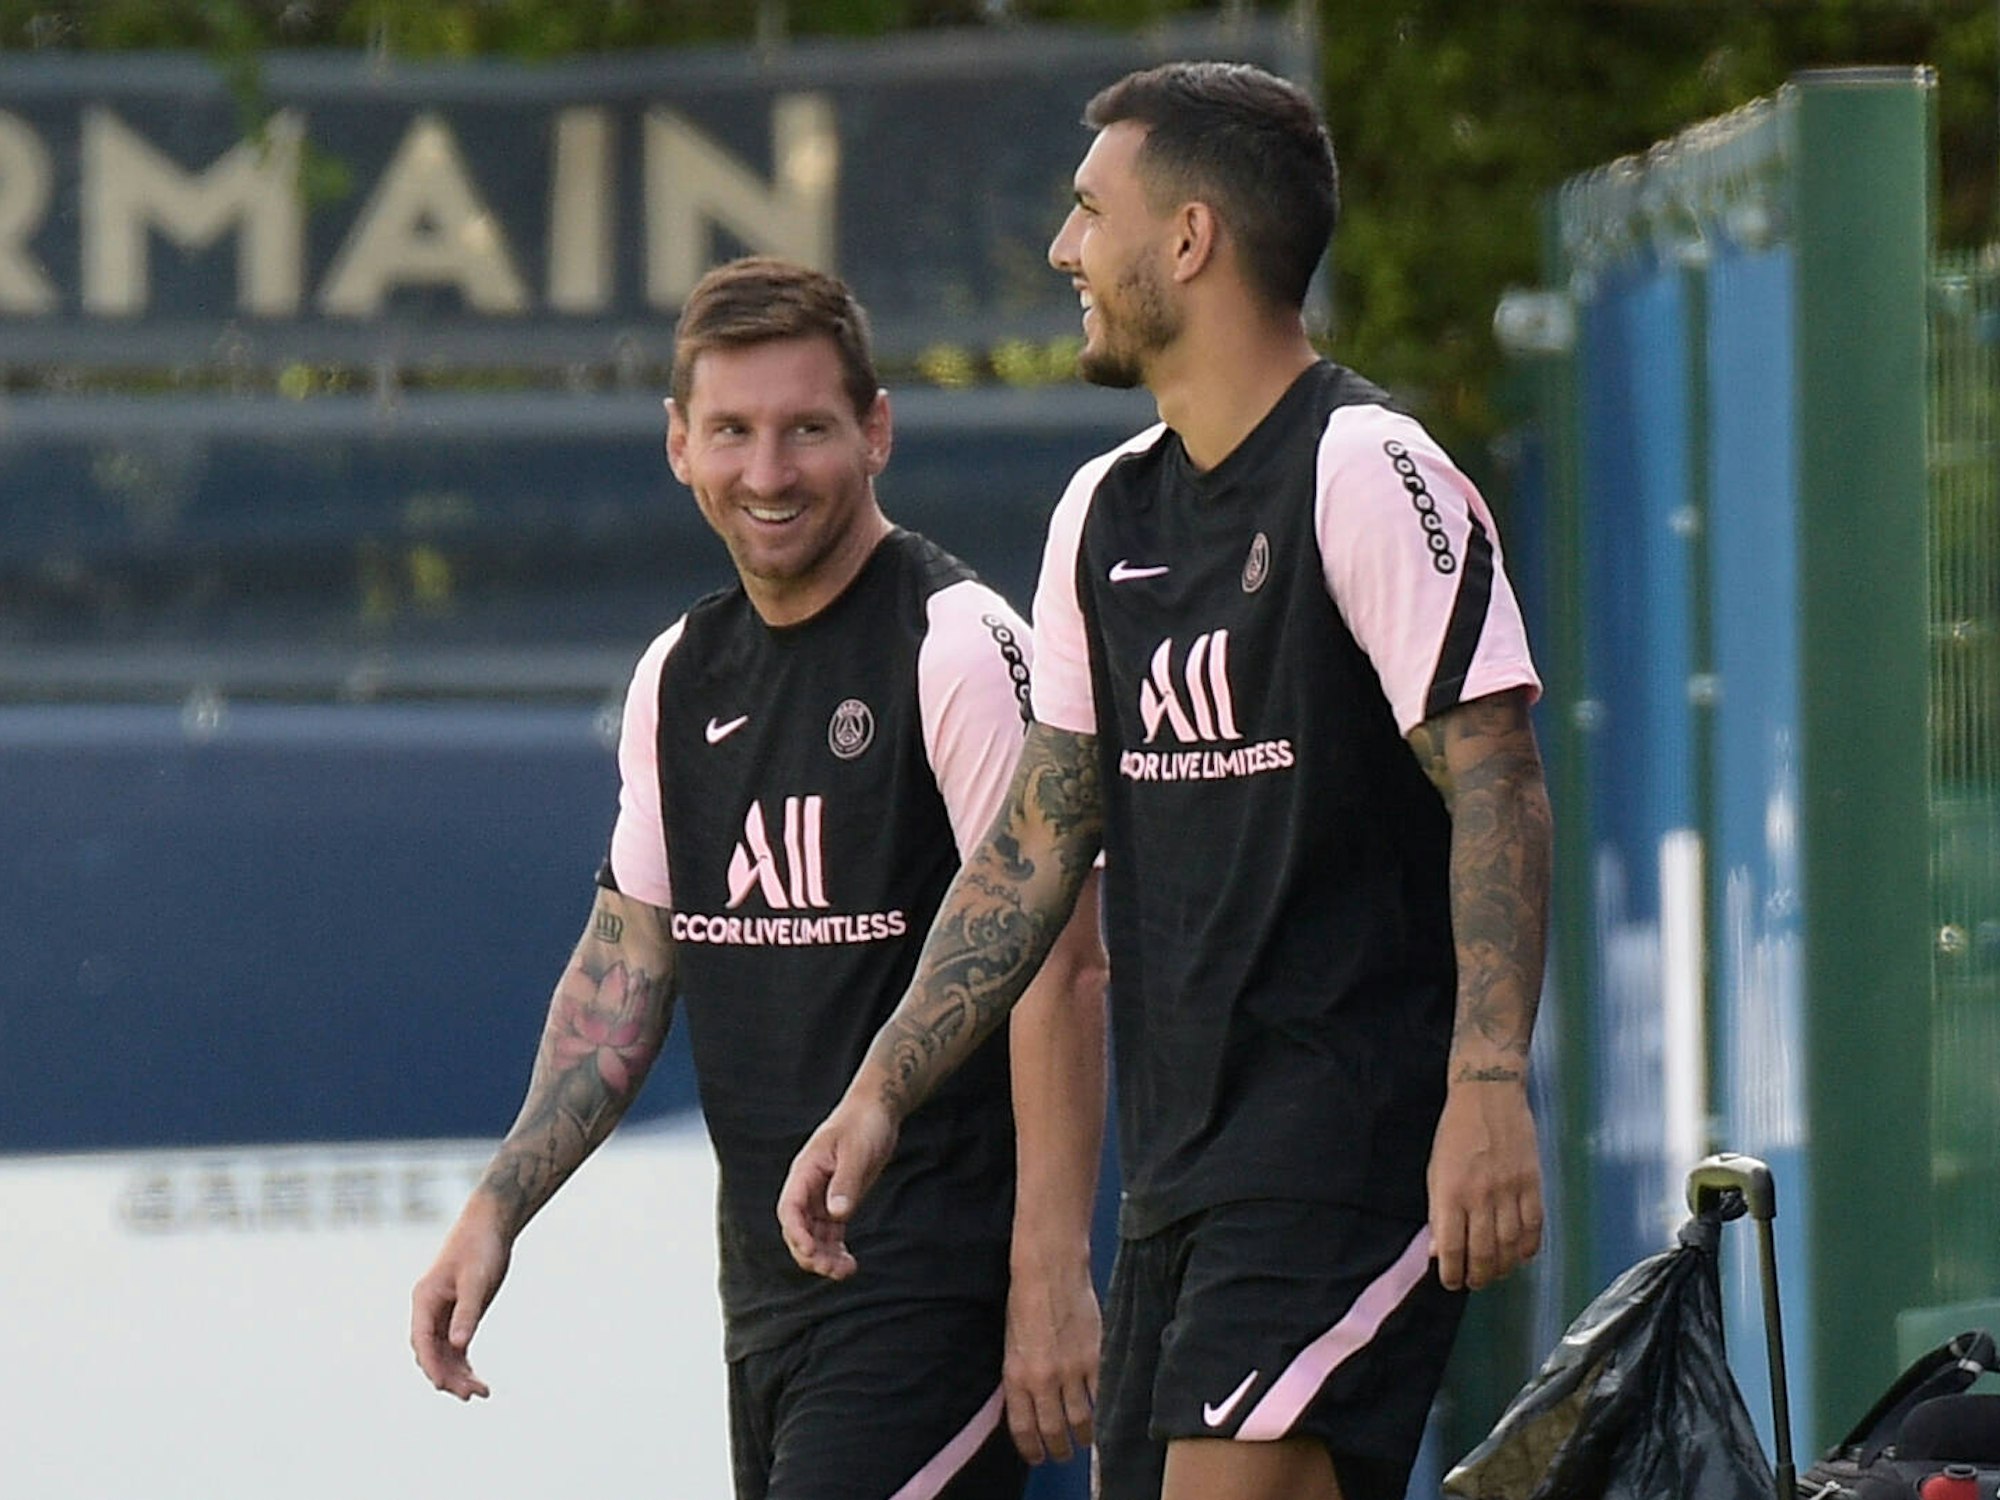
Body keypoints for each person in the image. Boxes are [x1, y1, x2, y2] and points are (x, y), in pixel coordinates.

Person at [779, 61, 1553, 1500]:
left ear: (1189, 241)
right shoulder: (1102, 513)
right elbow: (1032, 849)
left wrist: (1489, 1082)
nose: (1067, 249)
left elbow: (1499, 781)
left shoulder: (1366, 468)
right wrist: (880, 1090)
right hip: (1182, 1179)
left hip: (1348, 1144)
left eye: (1090, 212)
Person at [411, 256, 1110, 1500]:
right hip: (767, 1305)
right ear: (677, 444)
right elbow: (625, 967)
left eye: (806, 431)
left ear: (877, 431)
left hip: (930, 1294)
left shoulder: (956, 644)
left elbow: (1061, 955)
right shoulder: (679, 675)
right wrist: (496, 1208)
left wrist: (1048, 1270)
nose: (768, 474)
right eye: (731, 432)